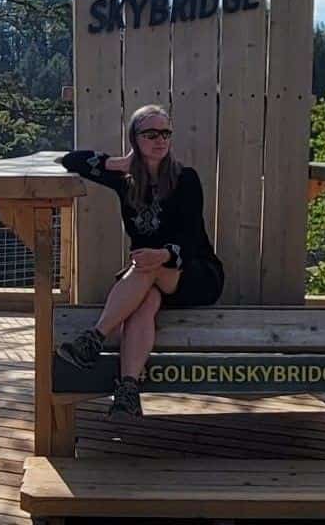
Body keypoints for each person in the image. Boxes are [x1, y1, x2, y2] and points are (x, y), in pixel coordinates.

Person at [55, 104, 224, 421]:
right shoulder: (124, 179)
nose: (160, 140)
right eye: (150, 134)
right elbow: (72, 161)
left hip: (196, 272)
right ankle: (128, 392)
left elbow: (190, 240)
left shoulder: (186, 179)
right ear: (135, 138)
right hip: (147, 278)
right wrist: (116, 163)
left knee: (146, 269)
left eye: (165, 133)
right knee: (144, 304)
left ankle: (95, 338)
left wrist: (162, 255)